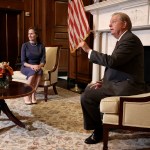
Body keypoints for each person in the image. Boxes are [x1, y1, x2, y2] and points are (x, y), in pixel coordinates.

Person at [78, 12, 146, 144]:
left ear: (124, 24)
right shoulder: (124, 40)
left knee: (87, 95)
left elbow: (112, 61)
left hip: (129, 86)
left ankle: (99, 131)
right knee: (90, 87)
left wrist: (88, 51)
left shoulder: (130, 39)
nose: (109, 24)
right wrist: (103, 82)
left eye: (114, 21)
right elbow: (118, 67)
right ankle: (105, 125)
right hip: (121, 82)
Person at [21, 27, 46, 105]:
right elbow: (23, 61)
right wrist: (32, 66)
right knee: (33, 72)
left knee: (40, 71)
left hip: (37, 67)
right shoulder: (25, 45)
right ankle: (26, 94)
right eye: (29, 34)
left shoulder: (41, 46)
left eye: (31, 33)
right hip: (26, 67)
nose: (29, 35)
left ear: (36, 35)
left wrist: (39, 66)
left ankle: (33, 93)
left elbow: (43, 61)